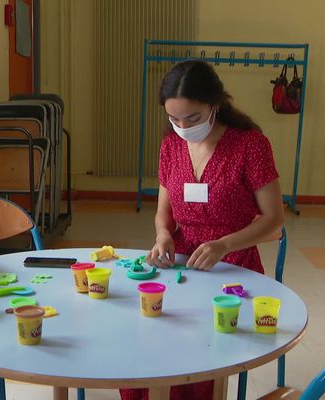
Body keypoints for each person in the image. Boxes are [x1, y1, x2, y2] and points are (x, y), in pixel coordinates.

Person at [120, 60, 285, 400]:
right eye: (174, 119)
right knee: (137, 341)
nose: (182, 126)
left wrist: (223, 245)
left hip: (234, 263)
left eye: (192, 118)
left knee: (203, 353)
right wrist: (163, 236)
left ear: (215, 104)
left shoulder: (250, 146)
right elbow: (163, 211)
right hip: (180, 260)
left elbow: (273, 219)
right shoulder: (171, 146)